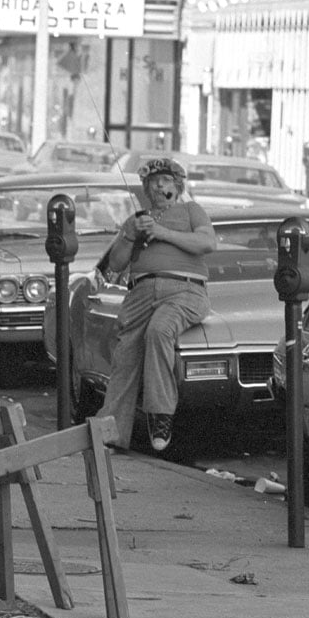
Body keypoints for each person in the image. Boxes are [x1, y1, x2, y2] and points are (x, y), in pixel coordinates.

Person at [97, 156, 217, 453]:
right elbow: (115, 263)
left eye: (165, 180)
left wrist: (162, 233)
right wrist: (129, 235)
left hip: (184, 290)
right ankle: (110, 433)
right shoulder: (137, 219)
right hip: (140, 292)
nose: (158, 185)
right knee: (125, 356)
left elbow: (207, 243)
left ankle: (160, 415)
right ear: (145, 189)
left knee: (160, 330)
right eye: (152, 182)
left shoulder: (192, 211)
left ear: (177, 186)